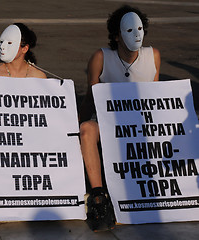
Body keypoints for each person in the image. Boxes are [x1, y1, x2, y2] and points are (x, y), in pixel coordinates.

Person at [79, 5, 161, 231]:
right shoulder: (101, 57)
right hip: (108, 122)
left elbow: (155, 97)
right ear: (116, 35)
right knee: (86, 129)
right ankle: (98, 197)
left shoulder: (153, 55)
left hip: (139, 123)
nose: (136, 35)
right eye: (129, 30)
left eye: (140, 29)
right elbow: (91, 97)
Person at [0, 23, 47, 144]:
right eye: (1, 42)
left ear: (24, 49)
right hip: (0, 125)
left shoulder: (39, 76)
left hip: (28, 125)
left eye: (10, 43)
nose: (2, 46)